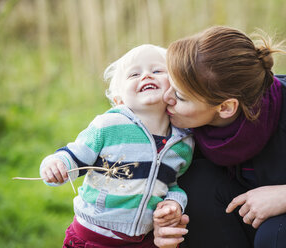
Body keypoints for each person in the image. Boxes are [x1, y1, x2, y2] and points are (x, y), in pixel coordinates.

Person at [153, 26, 286, 248]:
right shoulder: (178, 122)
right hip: (253, 217)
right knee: (197, 183)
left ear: (227, 107)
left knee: (278, 234)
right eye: (170, 84)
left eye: (180, 96)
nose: (166, 97)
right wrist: (167, 222)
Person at [39, 44, 194, 248]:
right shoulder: (109, 126)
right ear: (119, 99)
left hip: (144, 241)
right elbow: (74, 155)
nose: (146, 76)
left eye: (157, 71)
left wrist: (174, 203)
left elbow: (172, 184)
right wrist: (56, 164)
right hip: (92, 236)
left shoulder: (183, 143)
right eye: (134, 74)